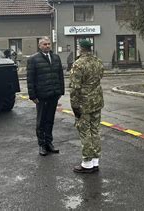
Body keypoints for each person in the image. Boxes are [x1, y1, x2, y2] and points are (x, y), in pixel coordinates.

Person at [70, 39, 105, 173]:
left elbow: (75, 88)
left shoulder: (78, 64)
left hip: (84, 103)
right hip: (97, 101)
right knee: (95, 130)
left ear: (80, 48)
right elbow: (100, 76)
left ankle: (87, 163)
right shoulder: (98, 61)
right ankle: (95, 161)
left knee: (85, 132)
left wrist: (74, 106)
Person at [27, 37, 64, 156]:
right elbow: (30, 79)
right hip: (41, 96)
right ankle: (41, 145)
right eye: (44, 44)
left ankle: (49, 143)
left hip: (53, 94)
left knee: (50, 120)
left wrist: (60, 91)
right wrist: (32, 95)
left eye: (48, 44)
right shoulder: (33, 59)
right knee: (41, 121)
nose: (47, 46)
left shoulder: (56, 58)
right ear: (39, 46)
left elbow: (60, 76)